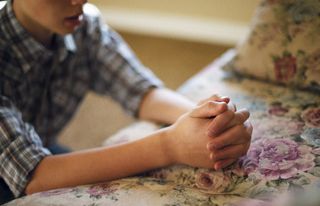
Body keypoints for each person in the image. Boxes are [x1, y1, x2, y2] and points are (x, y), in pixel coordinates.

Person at [0, 0, 252, 204]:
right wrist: (170, 144)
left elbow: (141, 91)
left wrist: (210, 120)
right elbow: (34, 175)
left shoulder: (85, 26)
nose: (79, 0)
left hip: (40, 143)